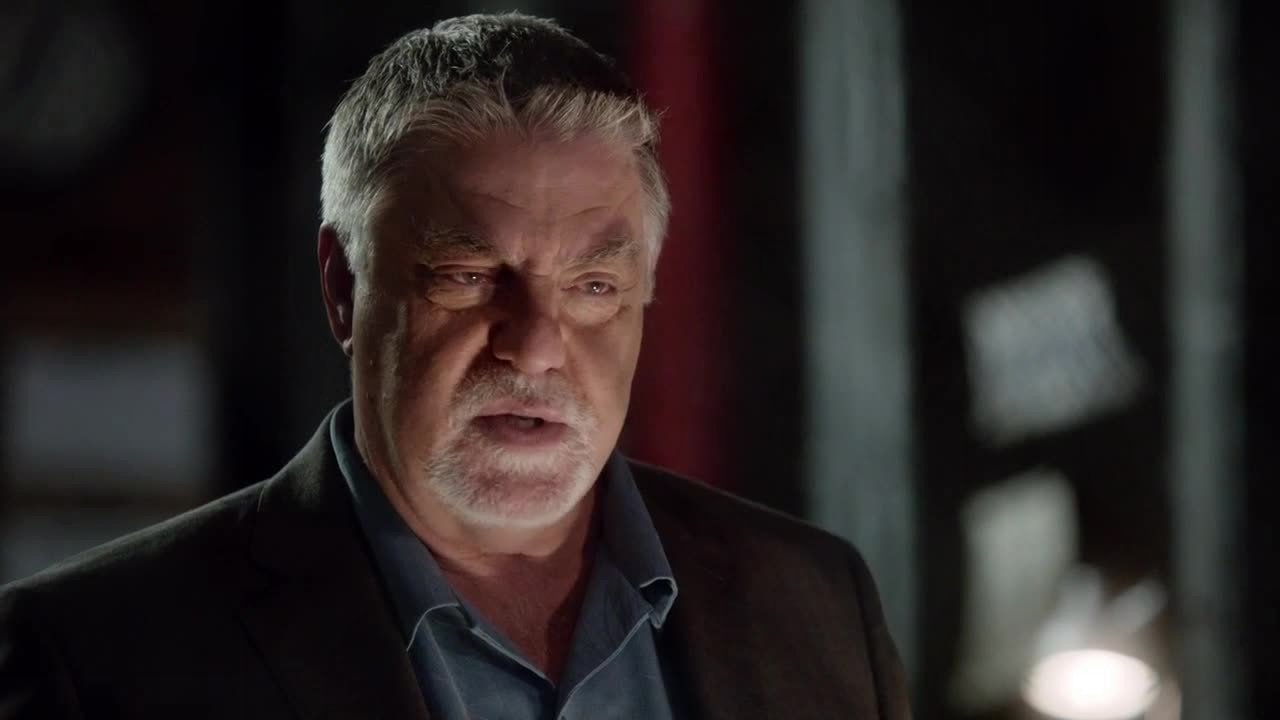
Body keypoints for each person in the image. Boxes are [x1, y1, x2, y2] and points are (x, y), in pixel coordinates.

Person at [0, 13, 910, 719]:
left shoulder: (817, 604)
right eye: (469, 277)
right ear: (343, 287)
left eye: (594, 286)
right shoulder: (94, 654)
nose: (537, 346)